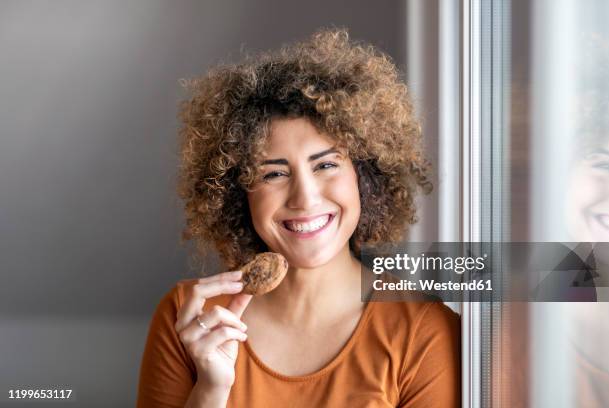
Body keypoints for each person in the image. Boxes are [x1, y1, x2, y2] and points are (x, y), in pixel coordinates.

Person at [137, 29, 460, 407]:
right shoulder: (189, 317)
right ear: (238, 192)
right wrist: (210, 390)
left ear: (365, 176)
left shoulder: (424, 332)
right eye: (273, 173)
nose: (305, 197)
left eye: (325, 165)